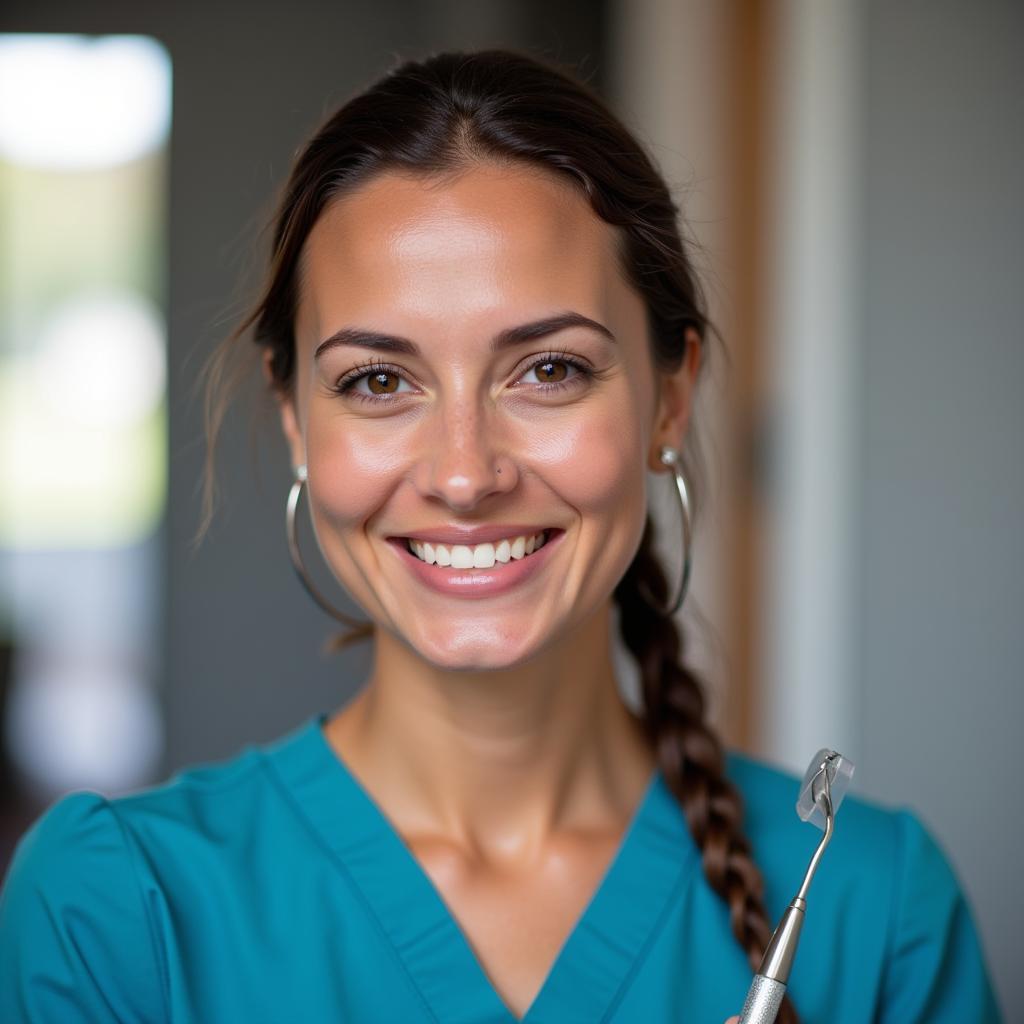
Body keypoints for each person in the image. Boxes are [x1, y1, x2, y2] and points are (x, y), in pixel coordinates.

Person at [0, 48, 1001, 1024]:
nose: (465, 473)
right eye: (378, 381)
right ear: (298, 418)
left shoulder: (876, 913)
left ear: (669, 400)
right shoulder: (114, 910)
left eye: (549, 370)